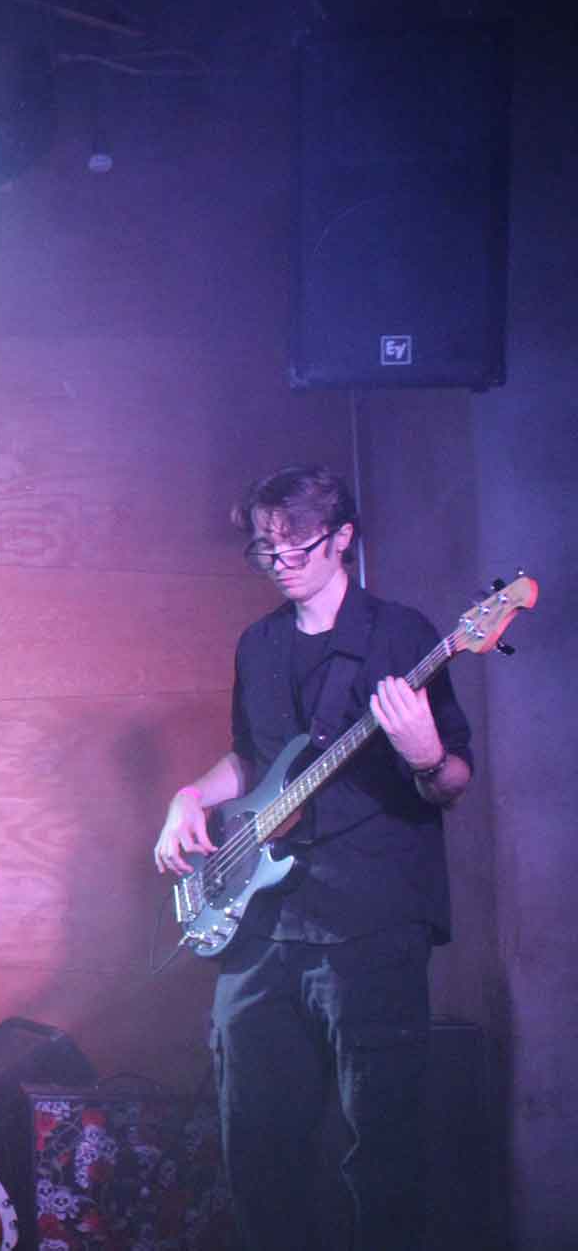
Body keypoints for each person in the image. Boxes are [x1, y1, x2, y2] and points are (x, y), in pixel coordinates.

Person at [152, 466, 472, 1250]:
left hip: (371, 925)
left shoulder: (400, 635)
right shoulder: (259, 643)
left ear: (343, 538)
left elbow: (453, 780)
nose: (280, 562)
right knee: (256, 1151)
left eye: (297, 546)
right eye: (266, 548)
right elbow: (251, 759)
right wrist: (189, 795)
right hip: (264, 925)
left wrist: (426, 755)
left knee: (382, 1153)